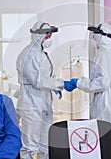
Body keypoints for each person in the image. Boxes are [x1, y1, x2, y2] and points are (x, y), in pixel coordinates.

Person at [66, 23, 111, 159]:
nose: (94, 40)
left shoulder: (104, 54)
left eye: (95, 38)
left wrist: (79, 82)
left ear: (101, 37)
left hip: (106, 104)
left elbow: (101, 82)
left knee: (104, 141)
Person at [16, 21, 73, 159]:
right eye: (47, 36)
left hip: (44, 103)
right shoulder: (29, 55)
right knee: (29, 146)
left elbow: (44, 78)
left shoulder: (40, 53)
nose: (49, 39)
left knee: (45, 145)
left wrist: (53, 87)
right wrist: (61, 83)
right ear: (38, 36)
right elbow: (38, 81)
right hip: (31, 105)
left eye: (50, 36)